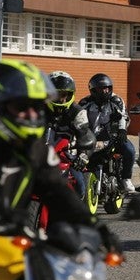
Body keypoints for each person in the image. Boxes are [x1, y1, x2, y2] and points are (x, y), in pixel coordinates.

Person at [0, 60, 121, 280]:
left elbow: (57, 190)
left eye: (36, 106)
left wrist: (95, 227)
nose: (31, 115)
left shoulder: (33, 147)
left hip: (8, 244)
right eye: (21, 107)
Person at [79, 73, 136, 193]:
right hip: (91, 137)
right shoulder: (85, 103)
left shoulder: (116, 100)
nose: (104, 91)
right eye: (101, 89)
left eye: (107, 88)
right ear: (93, 90)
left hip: (112, 136)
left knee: (129, 150)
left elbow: (123, 116)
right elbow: (77, 118)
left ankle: (126, 178)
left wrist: (122, 130)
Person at [46, 71, 97, 199]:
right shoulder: (38, 109)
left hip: (66, 155)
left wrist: (83, 156)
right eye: (57, 94)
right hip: (39, 153)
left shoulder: (77, 112)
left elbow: (86, 136)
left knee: (80, 185)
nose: (61, 99)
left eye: (64, 95)